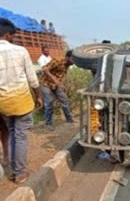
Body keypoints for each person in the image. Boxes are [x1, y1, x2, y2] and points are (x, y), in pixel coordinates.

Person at [0, 18, 42, 184]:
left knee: (11, 133)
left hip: (3, 102)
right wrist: (38, 96)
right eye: (13, 35)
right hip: (21, 100)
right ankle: (20, 173)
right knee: (21, 136)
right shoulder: (20, 51)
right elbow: (32, 79)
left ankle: (12, 167)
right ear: (8, 35)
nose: (14, 38)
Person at [40, 50, 75, 131]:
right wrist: (55, 80)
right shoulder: (58, 60)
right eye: (74, 59)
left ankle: (69, 119)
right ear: (67, 57)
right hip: (45, 84)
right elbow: (45, 69)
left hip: (56, 85)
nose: (75, 61)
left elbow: (59, 75)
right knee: (49, 102)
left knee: (64, 100)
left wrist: (62, 85)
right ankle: (47, 124)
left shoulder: (68, 65)